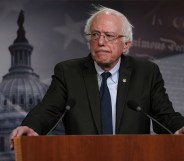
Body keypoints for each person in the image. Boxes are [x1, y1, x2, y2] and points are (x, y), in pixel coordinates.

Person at [9, 6, 184, 149]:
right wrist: (30, 126)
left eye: (109, 36)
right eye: (95, 35)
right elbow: (48, 110)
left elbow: (164, 115)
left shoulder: (146, 72)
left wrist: (179, 127)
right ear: (89, 41)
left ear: (126, 45)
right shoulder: (68, 72)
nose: (100, 42)